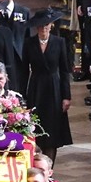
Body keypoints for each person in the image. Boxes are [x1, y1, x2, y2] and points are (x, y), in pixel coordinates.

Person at [23, 8, 72, 160]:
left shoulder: (59, 42)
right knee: (36, 126)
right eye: (41, 26)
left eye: (47, 25)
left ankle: (49, 166)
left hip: (54, 89)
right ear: (36, 27)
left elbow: (65, 71)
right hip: (36, 88)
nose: (44, 29)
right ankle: (37, 161)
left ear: (51, 26)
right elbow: (24, 70)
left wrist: (66, 96)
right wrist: (23, 97)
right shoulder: (29, 43)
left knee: (52, 129)